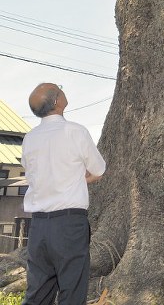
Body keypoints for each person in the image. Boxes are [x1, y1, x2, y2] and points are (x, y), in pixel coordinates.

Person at [21, 83, 106, 305]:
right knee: (72, 291)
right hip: (69, 224)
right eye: (60, 89)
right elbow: (98, 170)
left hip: (38, 226)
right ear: (57, 101)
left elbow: (33, 176)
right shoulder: (75, 132)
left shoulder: (30, 138)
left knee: (37, 293)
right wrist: (77, 178)